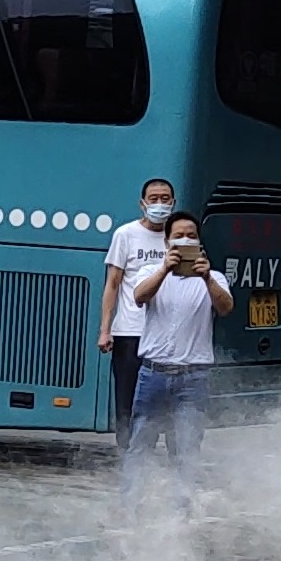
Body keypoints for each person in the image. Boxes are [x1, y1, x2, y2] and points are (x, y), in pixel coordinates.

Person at [121, 210, 232, 516]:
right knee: (140, 444)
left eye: (191, 235)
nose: (185, 240)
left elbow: (225, 307)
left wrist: (206, 276)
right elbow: (139, 297)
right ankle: (130, 506)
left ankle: (180, 511)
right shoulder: (149, 272)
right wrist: (164, 270)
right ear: (167, 240)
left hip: (192, 378)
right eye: (179, 235)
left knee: (186, 448)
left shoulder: (215, 277)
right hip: (153, 374)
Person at [97, 179, 176, 450]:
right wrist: (105, 329)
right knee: (127, 399)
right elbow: (113, 284)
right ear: (142, 203)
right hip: (130, 331)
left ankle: (153, 453)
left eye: (165, 199)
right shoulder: (126, 235)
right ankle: (128, 455)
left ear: (174, 203)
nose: (159, 204)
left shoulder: (178, 238)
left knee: (161, 401)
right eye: (153, 199)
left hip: (166, 336)